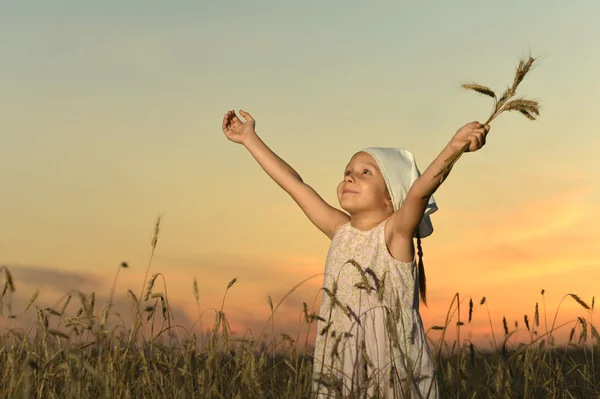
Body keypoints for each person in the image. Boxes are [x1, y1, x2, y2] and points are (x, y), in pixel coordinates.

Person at [221, 109, 489, 398]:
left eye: (365, 173)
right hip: (340, 358)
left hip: (389, 363)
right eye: (347, 172)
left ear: (391, 197)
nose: (349, 177)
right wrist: (250, 139)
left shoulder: (394, 234)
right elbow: (295, 185)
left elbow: (419, 192)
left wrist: (454, 148)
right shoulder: (340, 230)